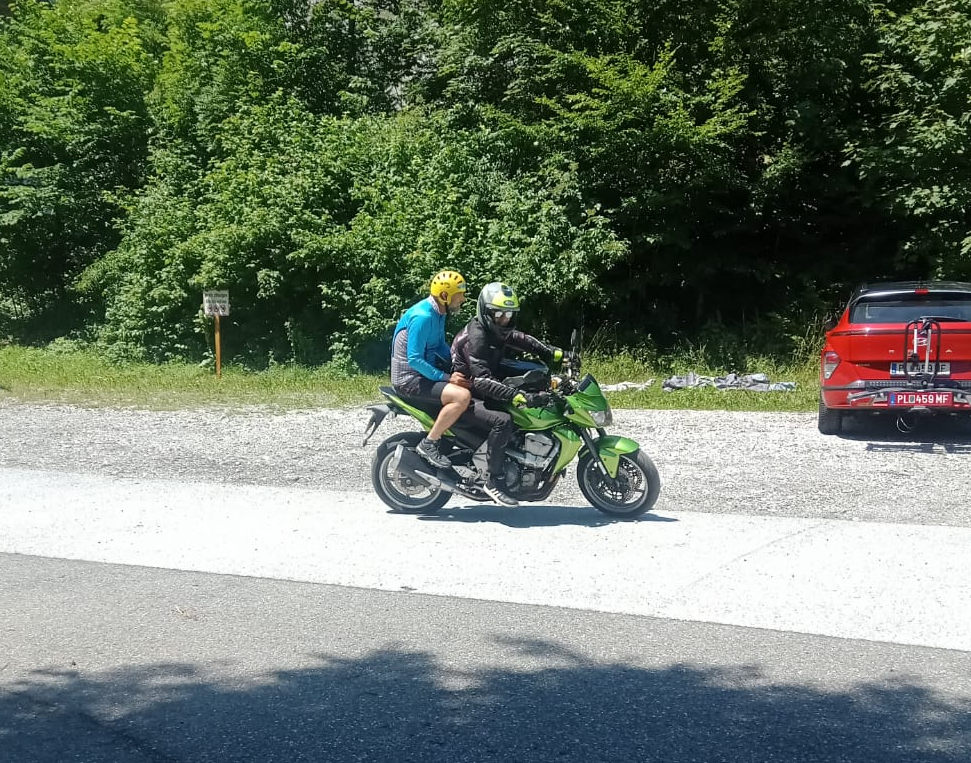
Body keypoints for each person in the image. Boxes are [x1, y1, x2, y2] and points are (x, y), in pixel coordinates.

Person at [451, 282, 562, 506]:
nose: (504, 319)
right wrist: (517, 396)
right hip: (468, 393)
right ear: (486, 311)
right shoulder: (477, 337)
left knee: (536, 373)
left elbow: (520, 338)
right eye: (499, 314)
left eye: (509, 314)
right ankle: (493, 480)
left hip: (484, 382)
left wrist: (553, 353)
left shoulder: (494, 329)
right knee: (503, 421)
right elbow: (482, 381)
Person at [391, 270, 472, 468]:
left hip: (423, 374)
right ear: (445, 296)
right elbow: (415, 360)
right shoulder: (423, 317)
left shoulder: (439, 312)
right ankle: (429, 443)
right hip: (409, 379)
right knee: (461, 397)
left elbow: (439, 345)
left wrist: (462, 363)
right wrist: (447, 377)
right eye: (459, 295)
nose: (462, 299)